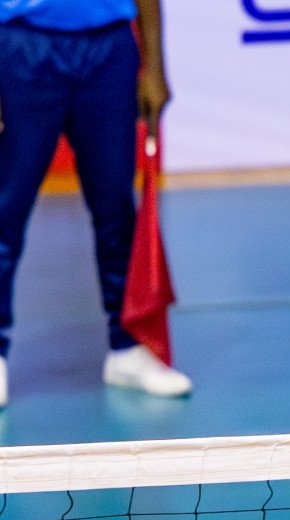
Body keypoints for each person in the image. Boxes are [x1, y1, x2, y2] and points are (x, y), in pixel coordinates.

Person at [0, 0, 191, 409]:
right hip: (22, 46)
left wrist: (154, 67)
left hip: (110, 52)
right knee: (4, 213)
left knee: (117, 212)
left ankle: (129, 349)